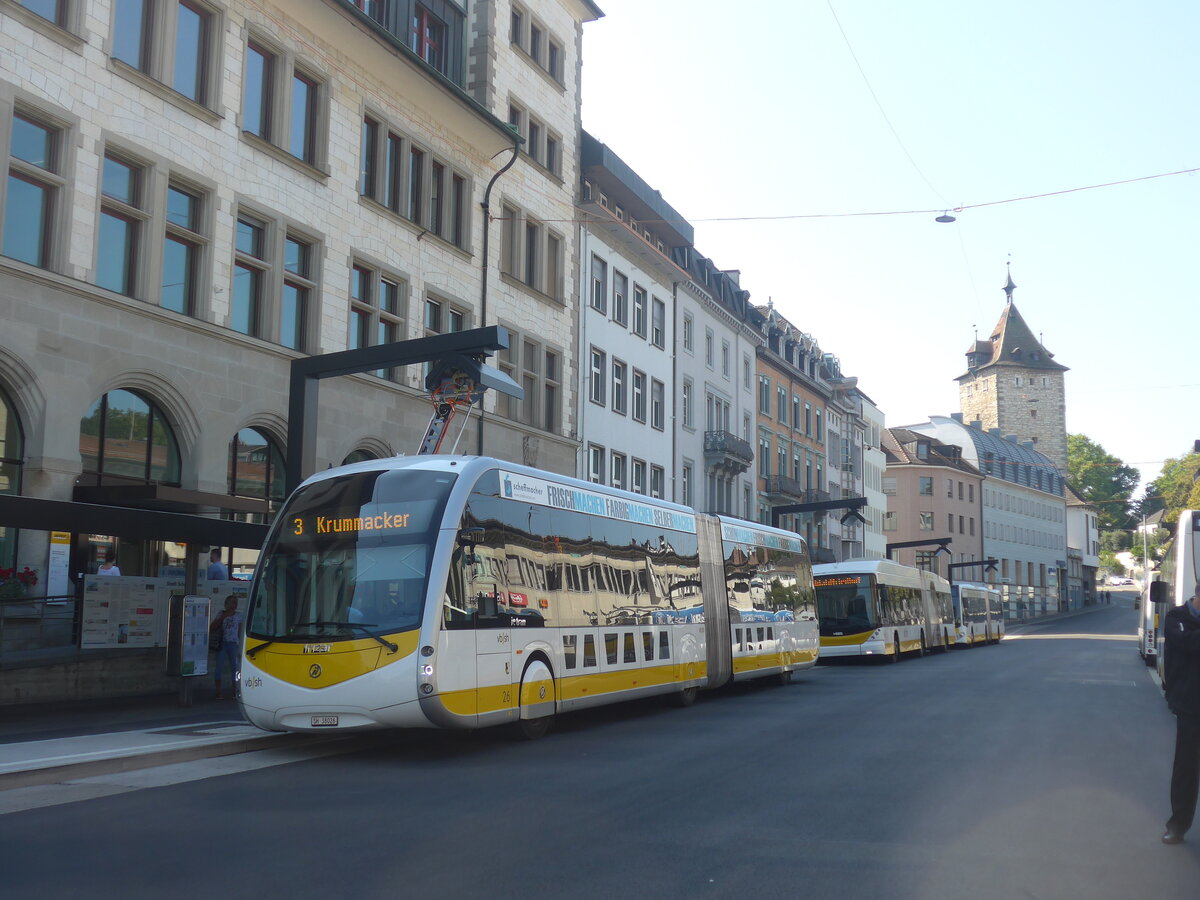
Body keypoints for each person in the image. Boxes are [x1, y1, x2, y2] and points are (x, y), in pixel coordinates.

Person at [1162, 581, 1200, 844]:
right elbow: (1189, 644)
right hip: (1191, 707)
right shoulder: (1176, 617)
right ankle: (1177, 826)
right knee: (1187, 770)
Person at [210, 595, 244, 701]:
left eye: (235, 602)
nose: (234, 605)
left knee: (235, 668)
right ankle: (218, 692)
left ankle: (235, 690)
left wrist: (241, 645)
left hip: (234, 643)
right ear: (227, 604)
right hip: (222, 643)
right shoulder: (221, 614)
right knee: (219, 668)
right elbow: (213, 627)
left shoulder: (239, 615)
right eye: (232, 602)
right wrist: (224, 617)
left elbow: (240, 631)